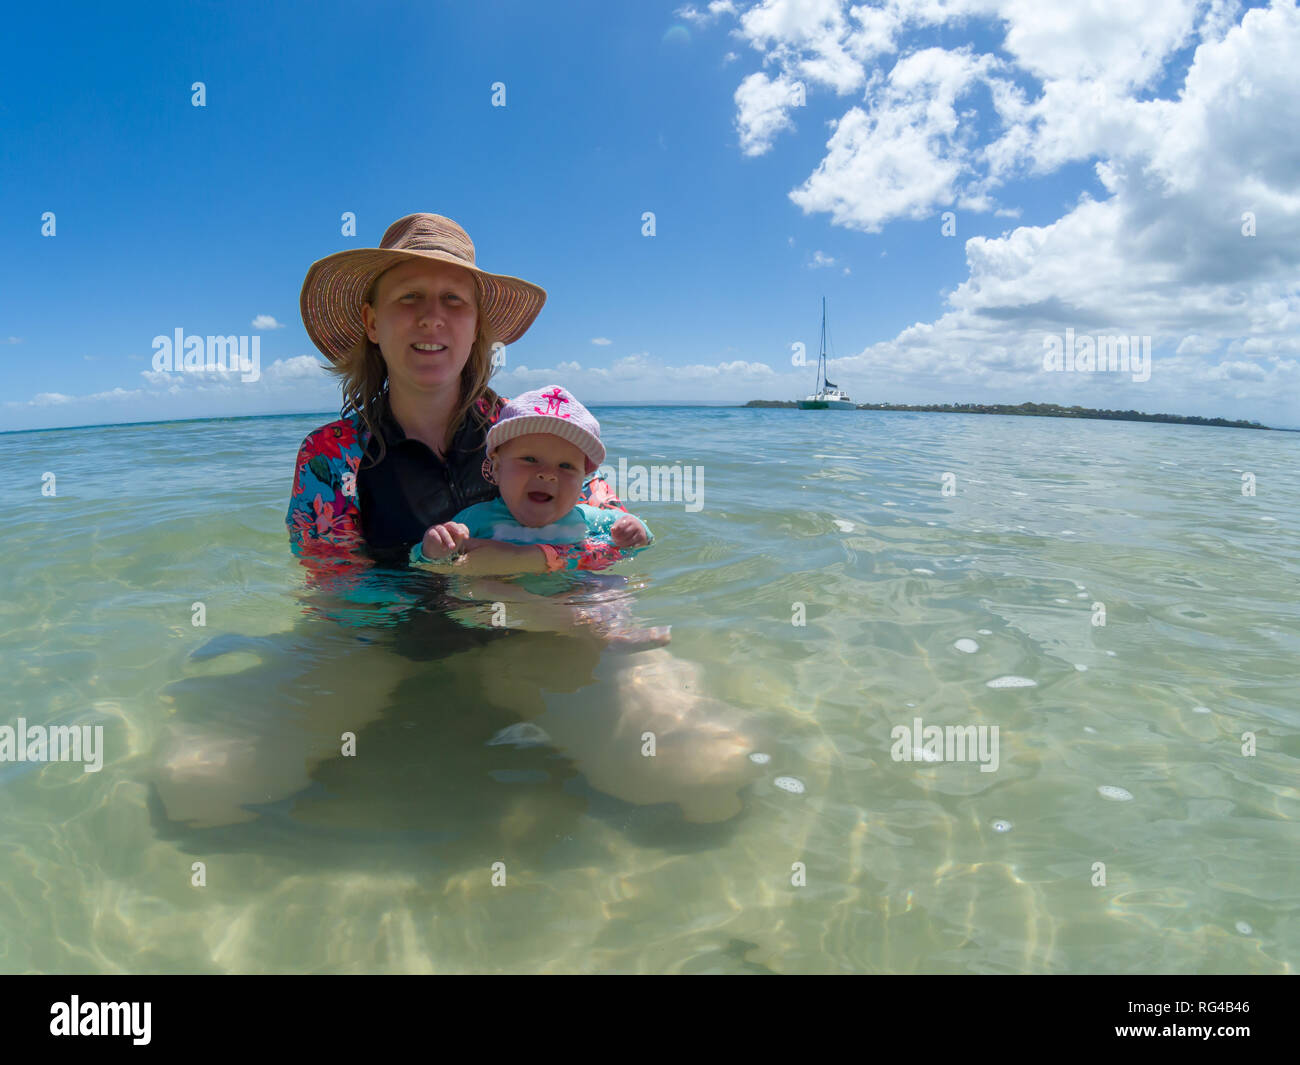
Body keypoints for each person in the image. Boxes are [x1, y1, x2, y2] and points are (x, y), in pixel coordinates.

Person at [286, 213, 632, 575]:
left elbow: (621, 537)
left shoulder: (532, 427)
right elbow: (332, 587)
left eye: (453, 299)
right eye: (410, 296)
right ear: (372, 323)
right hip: (402, 630)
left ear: (476, 326)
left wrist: (531, 560)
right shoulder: (330, 455)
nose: (433, 317)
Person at [416, 383, 671, 649]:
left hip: (571, 598)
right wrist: (434, 547)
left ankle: (611, 628)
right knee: (475, 589)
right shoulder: (477, 519)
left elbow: (641, 539)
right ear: (497, 467)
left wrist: (636, 531)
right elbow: (424, 561)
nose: (547, 473)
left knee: (611, 584)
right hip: (507, 610)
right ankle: (584, 629)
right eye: (529, 459)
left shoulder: (588, 517)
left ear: (584, 479)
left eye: (565, 466)